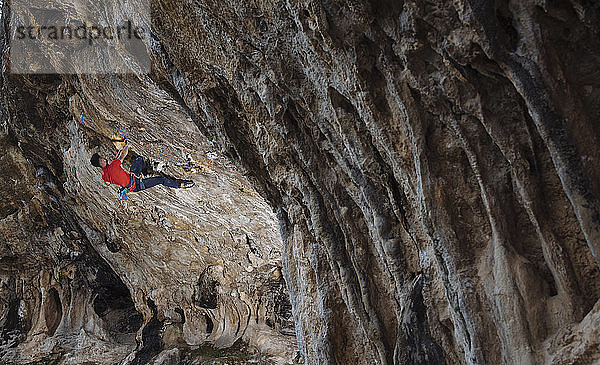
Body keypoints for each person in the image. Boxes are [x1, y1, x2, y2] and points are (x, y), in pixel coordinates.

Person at [90, 144, 194, 198]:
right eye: (101, 158)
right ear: (101, 161)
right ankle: (179, 185)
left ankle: (146, 173)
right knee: (161, 180)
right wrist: (127, 146)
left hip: (132, 182)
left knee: (139, 160)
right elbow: (123, 155)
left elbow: (108, 183)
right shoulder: (113, 166)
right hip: (138, 184)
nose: (103, 158)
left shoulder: (104, 176)